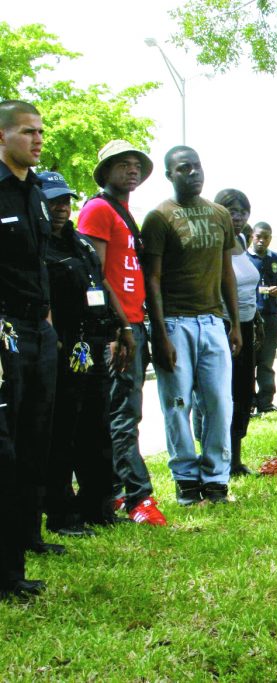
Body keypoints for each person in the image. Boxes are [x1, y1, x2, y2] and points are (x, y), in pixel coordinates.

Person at [141, 146, 241, 506]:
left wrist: (235, 324)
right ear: (170, 175)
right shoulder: (159, 218)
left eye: (197, 166)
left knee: (218, 402)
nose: (194, 173)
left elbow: (226, 271)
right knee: (177, 403)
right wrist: (160, 330)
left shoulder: (219, 215)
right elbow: (152, 278)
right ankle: (186, 481)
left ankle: (216, 481)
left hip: (213, 322)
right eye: (184, 168)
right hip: (175, 323)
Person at [78, 139, 166, 526]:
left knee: (125, 411)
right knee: (122, 415)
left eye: (137, 165)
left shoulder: (125, 213)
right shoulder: (98, 209)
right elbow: (94, 275)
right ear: (106, 171)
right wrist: (118, 326)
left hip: (134, 322)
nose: (132, 170)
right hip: (119, 328)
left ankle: (112, 490)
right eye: (123, 164)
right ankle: (138, 499)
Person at [40, 171, 133, 537]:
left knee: (97, 429)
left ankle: (98, 507)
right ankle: (62, 514)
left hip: (93, 346)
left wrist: (121, 328)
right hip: (62, 348)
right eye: (53, 201)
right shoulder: (37, 246)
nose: (61, 207)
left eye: (65, 200)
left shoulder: (79, 245)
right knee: (63, 432)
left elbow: (102, 286)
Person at [0, 100, 59, 599]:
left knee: (35, 437)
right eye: (26, 131)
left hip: (37, 330)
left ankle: (18, 559)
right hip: (3, 331)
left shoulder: (36, 192)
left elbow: (38, 266)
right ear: (2, 137)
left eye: (40, 131)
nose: (37, 139)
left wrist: (45, 319)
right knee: (5, 448)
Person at [213, 189, 261, 476]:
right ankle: (219, 459)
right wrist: (232, 324)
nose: (238, 216)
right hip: (222, 326)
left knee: (244, 392)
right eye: (232, 210)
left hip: (246, 325)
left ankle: (236, 460)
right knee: (223, 393)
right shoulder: (213, 242)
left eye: (243, 211)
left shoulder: (242, 240)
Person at [247, 221, 277, 415]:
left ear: (270, 238)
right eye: (258, 236)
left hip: (271, 316)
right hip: (249, 317)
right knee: (247, 362)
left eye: (266, 237)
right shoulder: (244, 258)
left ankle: (265, 402)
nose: (261, 240)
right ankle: (247, 402)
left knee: (266, 362)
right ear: (252, 237)